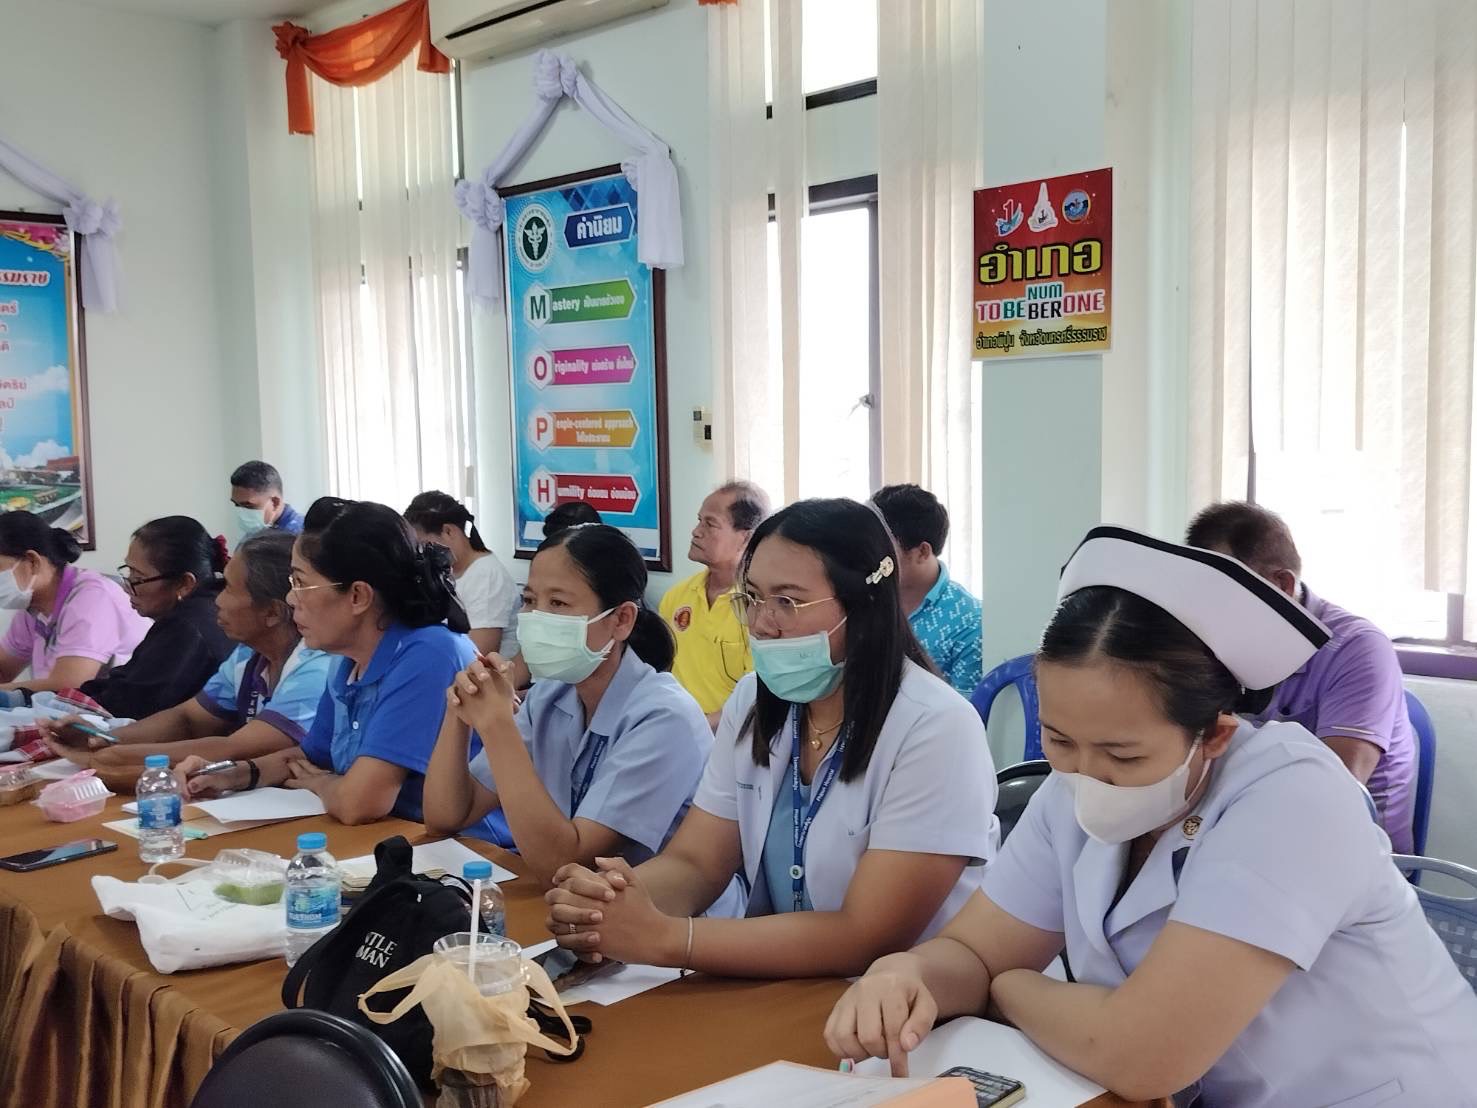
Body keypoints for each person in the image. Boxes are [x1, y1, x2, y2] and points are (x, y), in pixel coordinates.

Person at [826, 526, 1477, 1105]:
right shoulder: (1067, 794)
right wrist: (907, 973)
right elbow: (972, 951)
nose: (1084, 773)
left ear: (1214, 735)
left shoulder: (1294, 797)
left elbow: (1141, 1056)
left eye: (1122, 754)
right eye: (1058, 739)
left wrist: (1009, 987)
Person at [543, 499, 998, 978]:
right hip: (784, 984)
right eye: (754, 597)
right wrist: (604, 904)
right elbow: (697, 863)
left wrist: (669, 938)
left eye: (788, 602)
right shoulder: (755, 701)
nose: (761, 623)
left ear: (862, 606)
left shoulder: (937, 727)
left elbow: (865, 934)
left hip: (903, 999)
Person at [423, 524, 713, 887]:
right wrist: (460, 711)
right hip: (573, 905)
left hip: (658, 913)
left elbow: (562, 863)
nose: (536, 617)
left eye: (558, 603)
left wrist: (497, 726)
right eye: (529, 601)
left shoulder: (664, 717)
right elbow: (445, 817)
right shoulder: (549, 696)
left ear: (621, 620)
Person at [182, 501, 497, 833]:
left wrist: (322, 784)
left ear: (358, 595)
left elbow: (361, 802)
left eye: (300, 583)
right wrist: (232, 774)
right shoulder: (348, 661)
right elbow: (309, 759)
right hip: (386, 838)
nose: (290, 598)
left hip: (464, 850)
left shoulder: (430, 654)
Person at [1186, 501, 1418, 852]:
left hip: (1350, 848)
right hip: (1248, 824)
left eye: (1226, 592)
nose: (1212, 609)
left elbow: (1335, 791)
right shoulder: (1221, 638)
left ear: (1281, 584)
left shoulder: (1357, 648)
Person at [43, 531, 331, 785]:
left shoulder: (316, 668)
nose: (217, 600)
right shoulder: (249, 654)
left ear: (272, 612)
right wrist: (102, 738)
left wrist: (112, 756)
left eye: (229, 589)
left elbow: (236, 748)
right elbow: (188, 718)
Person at [70, 516, 234, 719]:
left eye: (138, 578)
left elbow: (131, 704)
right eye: (129, 573)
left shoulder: (186, 626)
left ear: (184, 583)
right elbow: (128, 679)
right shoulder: (199, 609)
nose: (127, 587)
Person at [0, 511, 150, 696]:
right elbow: (3, 670)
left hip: (123, 709)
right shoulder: (32, 610)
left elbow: (67, 685)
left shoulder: (93, 598)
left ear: (33, 561)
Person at [659, 482, 770, 726]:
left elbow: (758, 696)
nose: (696, 532)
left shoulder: (759, 608)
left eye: (710, 524)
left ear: (746, 537)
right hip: (674, 726)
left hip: (732, 733)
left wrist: (699, 726)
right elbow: (661, 673)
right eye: (699, 521)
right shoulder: (676, 596)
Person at [872, 484, 983, 697]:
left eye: (883, 547)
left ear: (922, 552)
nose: (871, 556)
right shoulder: (863, 598)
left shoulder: (970, 623)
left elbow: (964, 711)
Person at [405, 491, 520, 657]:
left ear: (448, 531)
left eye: (425, 545)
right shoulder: (445, 572)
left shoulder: (486, 574)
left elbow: (480, 651)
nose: (423, 553)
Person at [230, 460, 304, 542]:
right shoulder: (256, 531)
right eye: (236, 504)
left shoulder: (301, 537)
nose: (242, 514)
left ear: (275, 503)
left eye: (248, 506)